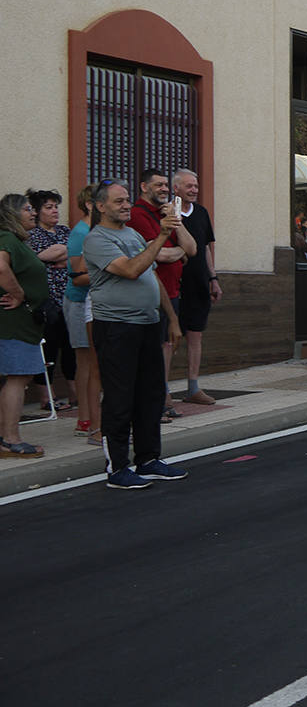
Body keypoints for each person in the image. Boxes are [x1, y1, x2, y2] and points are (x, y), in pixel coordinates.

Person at [84, 180, 187, 488]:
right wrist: (163, 235)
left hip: (147, 324)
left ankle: (148, 459)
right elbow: (131, 269)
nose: (127, 205)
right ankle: (117, 469)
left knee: (150, 395)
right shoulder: (96, 239)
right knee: (120, 397)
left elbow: (151, 277)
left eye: (128, 200)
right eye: (119, 201)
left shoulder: (132, 234)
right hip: (116, 327)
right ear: (100, 206)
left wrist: (172, 318)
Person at [128, 168, 196, 420]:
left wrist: (176, 221)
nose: (164, 189)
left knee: (167, 347)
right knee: (155, 351)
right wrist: (179, 252)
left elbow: (192, 248)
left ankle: (162, 399)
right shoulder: (137, 214)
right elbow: (156, 254)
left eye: (166, 185)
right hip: (151, 293)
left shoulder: (165, 214)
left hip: (172, 292)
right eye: (158, 185)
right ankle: (155, 403)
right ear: (144, 187)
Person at [0, 193, 49, 458]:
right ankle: (10, 439)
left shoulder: (15, 240)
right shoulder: (7, 239)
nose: (33, 213)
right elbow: (0, 267)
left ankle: (5, 437)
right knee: (17, 377)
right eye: (28, 209)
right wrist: (18, 293)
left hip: (22, 323)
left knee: (17, 377)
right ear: (12, 214)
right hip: (14, 322)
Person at [172, 169, 222, 405]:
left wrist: (213, 279)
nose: (194, 190)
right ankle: (162, 391)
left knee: (196, 335)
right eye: (189, 186)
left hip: (199, 283)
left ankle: (193, 387)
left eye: (196, 186)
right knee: (169, 339)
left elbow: (205, 248)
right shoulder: (168, 213)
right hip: (174, 285)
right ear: (176, 188)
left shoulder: (201, 213)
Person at [25, 188, 75, 411]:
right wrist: (63, 253)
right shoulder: (32, 234)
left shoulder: (65, 230)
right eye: (49, 207)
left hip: (70, 297)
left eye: (56, 206)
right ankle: (47, 397)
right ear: (37, 211)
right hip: (47, 301)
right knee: (49, 348)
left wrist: (60, 255)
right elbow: (38, 258)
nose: (55, 210)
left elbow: (79, 252)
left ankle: (75, 394)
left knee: (72, 347)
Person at [64, 184, 102, 443]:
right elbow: (76, 274)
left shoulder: (96, 231)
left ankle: (92, 415)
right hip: (78, 301)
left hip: (93, 300)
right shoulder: (81, 232)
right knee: (85, 360)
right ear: (90, 205)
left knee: (93, 360)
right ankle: (84, 417)